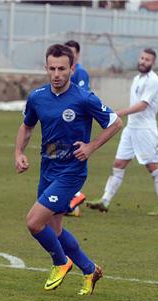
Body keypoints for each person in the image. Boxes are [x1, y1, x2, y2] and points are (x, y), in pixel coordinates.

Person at [14, 44, 122, 295]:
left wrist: (91, 146)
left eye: (62, 68)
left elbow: (115, 122)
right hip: (48, 168)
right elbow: (26, 127)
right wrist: (19, 153)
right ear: (46, 68)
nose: (56, 74)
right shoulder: (37, 97)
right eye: (52, 68)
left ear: (72, 69)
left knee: (33, 222)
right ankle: (90, 269)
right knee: (55, 229)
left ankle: (61, 262)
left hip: (71, 172)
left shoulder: (84, 97)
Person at [86, 48, 158, 216]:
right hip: (131, 129)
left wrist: (119, 112)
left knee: (152, 166)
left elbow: (143, 105)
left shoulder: (153, 80)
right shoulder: (137, 79)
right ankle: (105, 201)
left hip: (145, 130)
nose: (143, 61)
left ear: (153, 63)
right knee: (118, 164)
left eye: (147, 59)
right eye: (141, 58)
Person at [64, 40, 90, 217]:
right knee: (64, 160)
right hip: (64, 124)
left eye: (72, 53)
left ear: (78, 55)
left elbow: (82, 98)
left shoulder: (80, 73)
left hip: (76, 126)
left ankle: (75, 195)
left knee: (70, 161)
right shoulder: (64, 71)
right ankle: (71, 204)